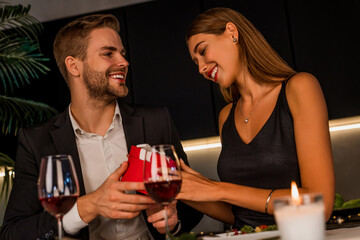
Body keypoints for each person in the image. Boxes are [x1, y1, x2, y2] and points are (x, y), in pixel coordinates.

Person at [0, 14, 202, 240]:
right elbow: (12, 232)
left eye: (122, 53)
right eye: (108, 53)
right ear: (74, 65)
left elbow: (192, 205)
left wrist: (172, 221)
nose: (124, 62)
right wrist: (87, 207)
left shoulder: (156, 121)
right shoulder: (36, 141)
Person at [176, 7, 335, 230]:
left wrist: (218, 189)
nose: (201, 68)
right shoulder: (226, 117)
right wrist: (188, 190)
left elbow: (321, 205)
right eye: (195, 62)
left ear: (232, 32)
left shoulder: (300, 88)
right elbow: (240, 215)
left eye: (202, 51)